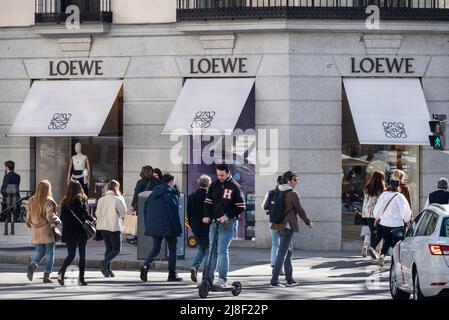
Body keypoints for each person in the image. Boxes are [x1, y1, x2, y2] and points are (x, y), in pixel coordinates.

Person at [202, 164, 246, 288]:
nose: (220, 177)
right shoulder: (214, 185)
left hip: (228, 223)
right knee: (212, 250)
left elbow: (241, 207)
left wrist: (227, 216)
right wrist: (206, 215)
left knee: (221, 251)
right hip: (214, 223)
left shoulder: (235, 186)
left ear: (228, 173)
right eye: (218, 175)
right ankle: (208, 279)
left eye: (222, 175)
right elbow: (207, 203)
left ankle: (222, 279)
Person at [270, 171, 313, 287]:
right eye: (295, 180)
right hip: (288, 226)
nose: (296, 182)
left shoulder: (276, 190)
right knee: (282, 253)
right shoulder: (292, 193)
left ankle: (289, 278)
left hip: (277, 225)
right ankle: (274, 280)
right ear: (289, 181)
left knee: (288, 251)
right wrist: (308, 222)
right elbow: (300, 210)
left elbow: (266, 206)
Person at [140, 173, 183, 282]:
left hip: (156, 226)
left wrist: (149, 224)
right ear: (171, 181)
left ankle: (145, 266)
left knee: (155, 248)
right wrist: (178, 228)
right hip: (169, 227)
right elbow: (173, 212)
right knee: (173, 250)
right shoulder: (170, 193)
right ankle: (172, 275)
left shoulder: (153, 193)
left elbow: (145, 210)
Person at [57, 180, 95, 286]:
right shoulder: (81, 199)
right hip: (80, 231)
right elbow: (85, 215)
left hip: (69, 232)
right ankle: (81, 279)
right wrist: (93, 218)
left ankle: (61, 272)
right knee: (82, 255)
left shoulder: (65, 201)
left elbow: (62, 218)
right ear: (79, 188)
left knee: (71, 255)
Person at [25, 180, 61, 283]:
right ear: (48, 189)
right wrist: (58, 221)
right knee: (50, 253)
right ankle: (46, 276)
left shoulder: (32, 200)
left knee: (39, 251)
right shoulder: (49, 200)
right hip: (46, 230)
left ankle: (33, 264)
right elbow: (50, 216)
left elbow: (28, 216)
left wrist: (29, 224)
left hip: (35, 230)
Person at [373, 178, 412, 267]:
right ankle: (395, 260)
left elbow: (378, 208)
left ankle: (382, 255)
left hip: (384, 223)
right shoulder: (400, 197)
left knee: (387, 241)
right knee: (397, 243)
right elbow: (405, 211)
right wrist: (407, 219)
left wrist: (377, 217)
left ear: (389, 185)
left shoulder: (383, 195)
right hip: (397, 224)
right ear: (398, 186)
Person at [95, 180, 127, 277]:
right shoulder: (117, 199)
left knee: (109, 249)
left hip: (103, 227)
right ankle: (104, 263)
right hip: (114, 226)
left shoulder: (101, 199)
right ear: (117, 188)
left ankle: (108, 270)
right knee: (117, 249)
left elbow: (97, 214)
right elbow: (123, 212)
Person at [187, 175, 212, 283]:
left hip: (196, 227)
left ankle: (194, 267)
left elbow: (189, 213)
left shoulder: (192, 196)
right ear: (209, 184)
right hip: (207, 227)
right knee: (208, 251)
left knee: (201, 248)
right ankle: (206, 274)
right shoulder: (209, 196)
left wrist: (192, 226)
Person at [128, 166, 161, 245]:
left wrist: (133, 206)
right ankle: (152, 239)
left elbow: (136, 195)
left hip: (141, 206)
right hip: (155, 207)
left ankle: (140, 239)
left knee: (141, 223)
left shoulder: (140, 182)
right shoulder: (157, 182)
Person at [261, 175, 285, 274]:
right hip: (283, 222)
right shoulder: (287, 193)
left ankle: (274, 265)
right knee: (283, 245)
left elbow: (264, 207)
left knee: (275, 244)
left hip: (273, 221)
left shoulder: (270, 192)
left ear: (277, 182)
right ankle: (281, 268)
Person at [361, 171, 386, 259]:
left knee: (373, 231)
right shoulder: (381, 189)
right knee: (379, 232)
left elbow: (365, 201)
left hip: (367, 213)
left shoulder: (366, 188)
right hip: (377, 214)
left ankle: (370, 248)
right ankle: (373, 250)